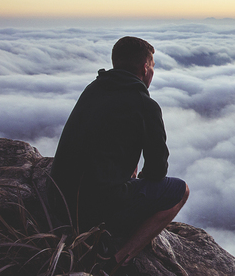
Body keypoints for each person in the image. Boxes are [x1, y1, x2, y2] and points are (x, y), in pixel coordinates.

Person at [49, 36, 189, 270]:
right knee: (179, 191)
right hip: (94, 212)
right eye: (152, 67)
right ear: (145, 68)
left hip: (58, 202)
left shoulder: (93, 89)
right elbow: (157, 170)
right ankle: (114, 261)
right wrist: (137, 180)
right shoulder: (145, 105)